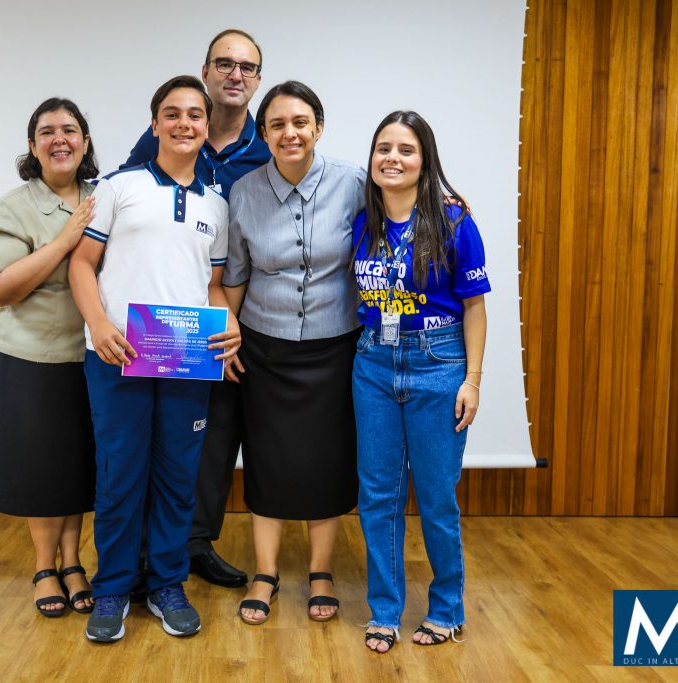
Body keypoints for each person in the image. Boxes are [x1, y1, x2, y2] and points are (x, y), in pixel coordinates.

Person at [69, 75, 241, 643]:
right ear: (155, 124)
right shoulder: (119, 188)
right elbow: (81, 264)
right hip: (118, 354)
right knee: (120, 474)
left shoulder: (216, 205)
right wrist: (99, 324)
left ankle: (168, 583)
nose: (184, 123)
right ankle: (114, 588)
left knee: (176, 476)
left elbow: (211, 285)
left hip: (187, 359)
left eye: (195, 115)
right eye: (172, 113)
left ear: (206, 126)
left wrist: (229, 321)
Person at [121, 28, 270, 590]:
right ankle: (145, 553)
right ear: (205, 72)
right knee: (160, 441)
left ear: (257, 80)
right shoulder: (167, 134)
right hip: (165, 326)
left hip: (233, 316)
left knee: (215, 436)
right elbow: (121, 198)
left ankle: (195, 544)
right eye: (224, 63)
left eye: (246, 67)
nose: (235, 74)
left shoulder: (267, 147)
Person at [222, 81, 364, 625]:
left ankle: (321, 570)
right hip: (264, 348)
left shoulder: (354, 183)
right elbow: (235, 275)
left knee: (328, 460)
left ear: (318, 128)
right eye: (277, 124)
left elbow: (404, 212)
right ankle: (266, 572)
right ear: (263, 133)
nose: (290, 133)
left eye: (300, 122)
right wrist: (227, 336)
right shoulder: (244, 192)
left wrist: (447, 202)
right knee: (267, 459)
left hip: (336, 347)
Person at [351, 111, 489, 653]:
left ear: (425, 160)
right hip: (374, 364)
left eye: (405, 150)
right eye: (383, 148)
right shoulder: (363, 221)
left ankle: (446, 609)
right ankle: (384, 612)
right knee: (378, 496)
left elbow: (474, 307)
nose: (392, 158)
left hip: (439, 363)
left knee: (436, 497)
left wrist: (472, 380)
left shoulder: (454, 221)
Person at [0, 98, 98, 619]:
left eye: (69, 130)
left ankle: (74, 562)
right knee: (42, 470)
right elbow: (1, 289)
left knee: (74, 466)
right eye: (47, 132)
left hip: (92, 356)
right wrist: (65, 240)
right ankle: (46, 567)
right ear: (33, 146)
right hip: (31, 358)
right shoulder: (9, 208)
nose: (59, 139)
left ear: (85, 142)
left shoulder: (105, 199)